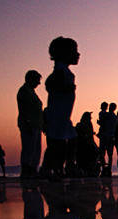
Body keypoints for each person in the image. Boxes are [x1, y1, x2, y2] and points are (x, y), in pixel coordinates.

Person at [41, 37, 80, 181]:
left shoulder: (65, 71)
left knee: (72, 138)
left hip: (63, 115)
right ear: (63, 53)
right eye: (74, 51)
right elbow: (49, 83)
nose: (78, 55)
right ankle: (46, 169)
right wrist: (64, 89)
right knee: (55, 143)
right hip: (57, 114)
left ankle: (69, 166)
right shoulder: (60, 71)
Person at [17, 70, 43, 179]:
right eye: (37, 80)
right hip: (29, 124)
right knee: (29, 148)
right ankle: (26, 171)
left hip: (36, 124)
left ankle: (33, 170)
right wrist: (27, 122)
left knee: (36, 149)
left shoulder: (31, 91)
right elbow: (23, 108)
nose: (39, 83)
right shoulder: (24, 91)